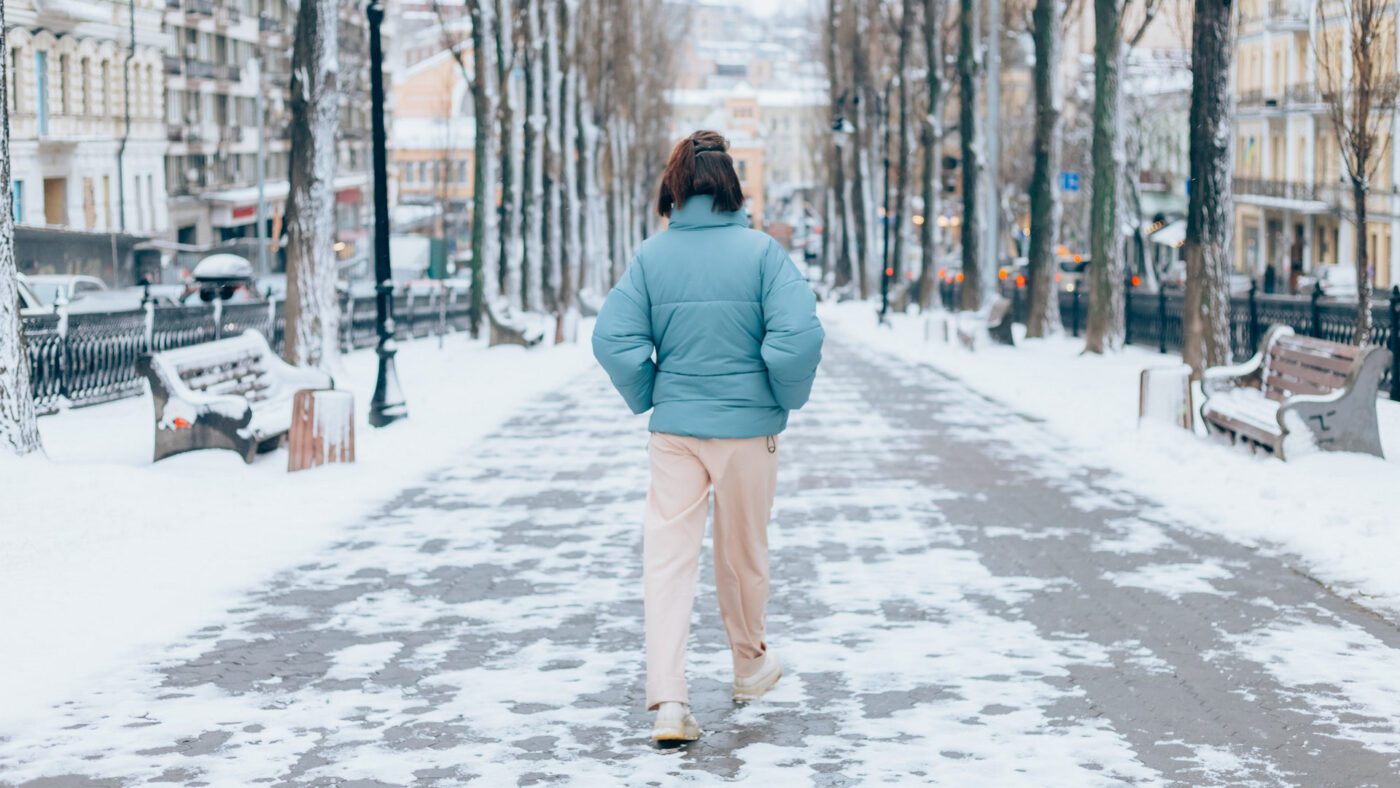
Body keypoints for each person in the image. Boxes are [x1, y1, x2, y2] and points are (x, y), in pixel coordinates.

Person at [592, 130, 824, 744]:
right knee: (742, 553)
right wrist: (781, 397)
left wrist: (653, 391)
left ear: (675, 189)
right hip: (748, 432)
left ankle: (670, 699)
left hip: (675, 433)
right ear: (732, 188)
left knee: (667, 559)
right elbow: (798, 340)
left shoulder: (651, 257)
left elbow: (611, 339)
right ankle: (748, 666)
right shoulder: (763, 254)